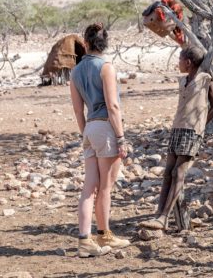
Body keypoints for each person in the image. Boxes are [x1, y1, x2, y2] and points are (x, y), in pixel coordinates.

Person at [139, 46, 213, 230]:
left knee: (178, 172)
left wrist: (201, 125)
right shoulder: (183, 80)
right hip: (177, 128)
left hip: (191, 131)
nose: (178, 63)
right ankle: (159, 214)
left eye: (180, 59)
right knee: (168, 172)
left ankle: (164, 217)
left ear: (188, 63)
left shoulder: (205, 79)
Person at [70, 23, 130, 258]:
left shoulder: (75, 72)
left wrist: (87, 133)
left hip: (89, 129)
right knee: (106, 186)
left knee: (89, 187)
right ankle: (104, 234)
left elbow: (77, 111)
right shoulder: (106, 67)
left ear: (85, 43)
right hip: (106, 127)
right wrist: (121, 138)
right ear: (105, 44)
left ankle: (85, 239)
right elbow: (113, 105)